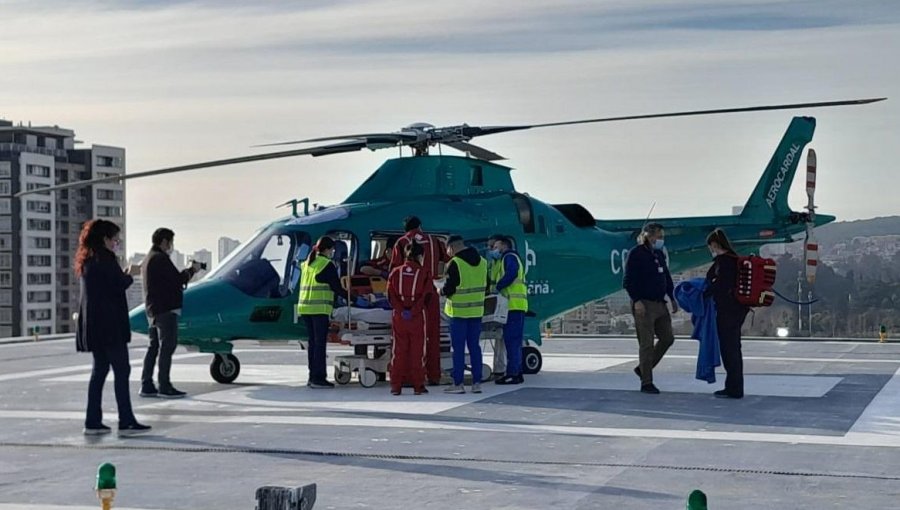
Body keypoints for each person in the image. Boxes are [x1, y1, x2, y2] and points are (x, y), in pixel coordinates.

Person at [75, 219, 151, 436]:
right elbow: (117, 285)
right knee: (122, 370)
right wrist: (131, 274)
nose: (116, 243)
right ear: (105, 239)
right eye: (114, 240)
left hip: (94, 326)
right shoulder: (105, 259)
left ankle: (92, 420)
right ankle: (126, 419)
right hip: (110, 326)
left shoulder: (88, 259)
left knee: (99, 372)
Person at [140, 228, 202, 399]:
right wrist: (192, 270)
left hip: (152, 309)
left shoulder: (147, 259)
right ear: (164, 241)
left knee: (153, 347)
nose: (171, 246)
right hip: (165, 309)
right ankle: (164, 385)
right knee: (167, 346)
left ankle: (147, 384)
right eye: (170, 242)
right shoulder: (160, 259)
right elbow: (177, 280)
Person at [391, 216, 449, 385]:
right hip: (431, 293)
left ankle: (409, 376)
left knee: (408, 338)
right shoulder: (435, 241)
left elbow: (394, 269)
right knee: (432, 336)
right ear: (420, 226)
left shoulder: (402, 242)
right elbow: (448, 260)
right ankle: (433, 374)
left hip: (409, 296)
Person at [622, 222, 678, 394]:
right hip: (644, 304)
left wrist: (672, 297)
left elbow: (666, 277)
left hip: (660, 303)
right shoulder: (636, 254)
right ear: (649, 236)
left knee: (667, 338)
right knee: (646, 343)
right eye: (659, 236)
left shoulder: (659, 254)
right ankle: (647, 381)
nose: (661, 240)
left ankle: (643, 368)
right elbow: (628, 280)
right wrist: (636, 300)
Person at [705, 228, 750, 399]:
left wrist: (706, 293)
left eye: (711, 247)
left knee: (729, 350)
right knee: (734, 349)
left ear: (715, 245)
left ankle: (734, 388)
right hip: (738, 310)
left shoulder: (723, 262)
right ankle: (734, 386)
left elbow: (719, 286)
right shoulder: (734, 259)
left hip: (727, 311)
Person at [387, 241, 435, 395]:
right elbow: (426, 296)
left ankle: (396, 386)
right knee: (418, 352)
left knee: (398, 351)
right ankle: (418, 385)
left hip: (399, 317)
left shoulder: (395, 272)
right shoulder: (424, 273)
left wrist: (401, 310)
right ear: (420, 256)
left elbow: (390, 295)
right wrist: (413, 311)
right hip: (416, 318)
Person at [441, 235, 487, 394]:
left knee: (458, 349)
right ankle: (477, 383)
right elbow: (486, 288)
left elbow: (449, 288)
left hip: (459, 313)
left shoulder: (454, 263)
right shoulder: (483, 262)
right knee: (475, 347)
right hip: (477, 312)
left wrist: (439, 290)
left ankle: (458, 383)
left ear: (452, 247)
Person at [297, 236, 344, 388]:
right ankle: (319, 378)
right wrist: (355, 299)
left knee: (313, 344)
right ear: (328, 250)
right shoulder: (326, 265)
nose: (332, 253)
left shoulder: (307, 264)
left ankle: (312, 376)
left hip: (305, 308)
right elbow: (337, 287)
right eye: (332, 250)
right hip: (318, 310)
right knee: (319, 344)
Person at [488, 235, 528, 385]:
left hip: (513, 305)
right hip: (514, 306)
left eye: (494, 246)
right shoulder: (503, 260)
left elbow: (512, 273)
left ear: (503, 244)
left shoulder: (509, 257)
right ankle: (516, 372)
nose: (492, 249)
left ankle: (512, 373)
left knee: (511, 341)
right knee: (513, 342)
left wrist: (498, 287)